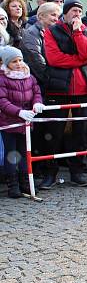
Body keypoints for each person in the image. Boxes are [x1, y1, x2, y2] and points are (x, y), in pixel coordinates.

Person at [40, 0, 87, 189]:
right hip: (58, 89)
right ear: (64, 13)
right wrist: (80, 61)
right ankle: (50, 173)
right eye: (73, 11)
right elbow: (54, 59)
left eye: (79, 11)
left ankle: (77, 172)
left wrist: (78, 32)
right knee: (53, 134)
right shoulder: (51, 32)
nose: (77, 14)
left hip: (82, 91)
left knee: (79, 134)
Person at [0, 46, 43, 197]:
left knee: (25, 153)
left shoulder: (29, 76)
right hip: (9, 123)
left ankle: (26, 182)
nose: (18, 64)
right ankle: (13, 185)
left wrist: (37, 103)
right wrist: (19, 112)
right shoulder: (2, 79)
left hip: (26, 123)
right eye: (14, 61)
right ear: (6, 63)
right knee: (11, 154)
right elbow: (2, 101)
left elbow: (36, 91)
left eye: (20, 60)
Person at [22, 2, 60, 87]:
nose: (56, 19)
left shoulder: (53, 32)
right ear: (40, 16)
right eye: (53, 15)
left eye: (58, 16)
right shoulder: (31, 33)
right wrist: (50, 78)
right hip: (40, 82)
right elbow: (35, 59)